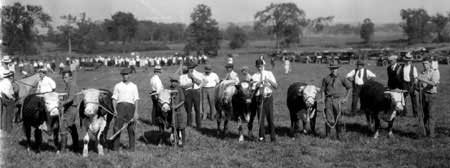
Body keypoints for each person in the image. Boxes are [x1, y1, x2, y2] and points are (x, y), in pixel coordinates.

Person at [320, 63, 352, 139]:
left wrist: (346, 98)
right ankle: (327, 136)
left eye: (335, 68)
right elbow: (322, 90)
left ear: (338, 69)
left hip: (338, 100)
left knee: (339, 118)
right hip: (328, 100)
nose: (334, 70)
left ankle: (339, 136)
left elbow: (349, 87)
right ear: (330, 69)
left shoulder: (342, 78)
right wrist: (322, 98)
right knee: (328, 119)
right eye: (332, 68)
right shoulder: (326, 78)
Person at [112, 68, 139, 151]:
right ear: (121, 76)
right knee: (117, 128)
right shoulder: (118, 85)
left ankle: (132, 148)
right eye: (123, 75)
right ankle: (115, 147)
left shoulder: (134, 86)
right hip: (120, 107)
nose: (125, 76)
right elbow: (114, 99)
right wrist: (115, 110)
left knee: (131, 128)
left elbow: (136, 99)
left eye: (127, 74)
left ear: (129, 75)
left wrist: (136, 112)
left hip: (131, 107)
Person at [250, 58, 278, 142]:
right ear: (256, 66)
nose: (259, 68)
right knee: (260, 119)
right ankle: (262, 137)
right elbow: (251, 89)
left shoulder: (269, 73)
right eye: (258, 66)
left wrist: (268, 81)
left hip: (268, 98)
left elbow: (276, 86)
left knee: (270, 118)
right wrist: (257, 85)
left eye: (261, 66)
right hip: (259, 98)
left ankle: (273, 137)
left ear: (263, 65)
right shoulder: (254, 76)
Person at [416, 57, 440, 137]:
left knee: (431, 115)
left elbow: (433, 83)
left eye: (426, 63)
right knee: (424, 114)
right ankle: (425, 132)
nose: (424, 65)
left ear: (430, 63)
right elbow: (418, 83)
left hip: (431, 95)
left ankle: (431, 134)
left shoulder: (435, 72)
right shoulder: (422, 72)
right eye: (423, 63)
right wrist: (417, 86)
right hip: (423, 95)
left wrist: (423, 80)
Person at [60, 71, 80, 152]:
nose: (64, 79)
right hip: (68, 108)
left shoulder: (72, 85)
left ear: (70, 77)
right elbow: (67, 97)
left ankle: (63, 149)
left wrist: (62, 103)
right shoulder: (67, 85)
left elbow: (71, 98)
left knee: (63, 127)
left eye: (66, 77)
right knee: (71, 127)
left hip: (71, 108)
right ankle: (76, 147)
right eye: (63, 77)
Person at [179, 63, 203, 128]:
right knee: (188, 109)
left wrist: (193, 77)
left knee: (197, 109)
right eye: (189, 68)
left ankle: (198, 124)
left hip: (196, 92)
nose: (190, 69)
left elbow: (199, 83)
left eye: (192, 68)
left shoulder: (198, 74)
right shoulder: (182, 76)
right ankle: (189, 123)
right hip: (188, 92)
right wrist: (190, 84)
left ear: (194, 68)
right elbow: (182, 86)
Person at [168, 75, 186, 147]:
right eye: (172, 81)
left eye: (174, 82)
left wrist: (176, 106)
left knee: (181, 127)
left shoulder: (180, 89)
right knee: (175, 126)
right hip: (173, 112)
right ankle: (177, 139)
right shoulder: (169, 88)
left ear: (177, 82)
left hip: (180, 111)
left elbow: (183, 100)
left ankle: (183, 142)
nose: (173, 83)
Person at [400, 52, 418, 117]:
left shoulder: (413, 68)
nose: (408, 62)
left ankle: (415, 113)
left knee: (414, 100)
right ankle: (403, 112)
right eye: (406, 60)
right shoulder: (402, 67)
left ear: (411, 61)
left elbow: (416, 78)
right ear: (404, 60)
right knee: (403, 99)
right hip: (404, 84)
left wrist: (415, 88)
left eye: (409, 61)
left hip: (412, 84)